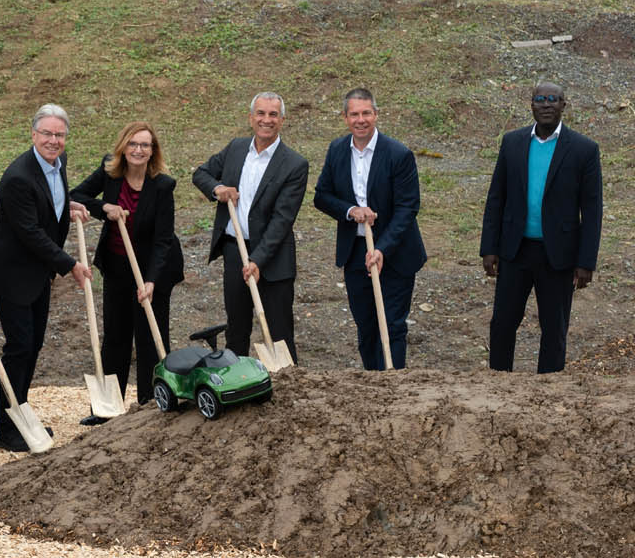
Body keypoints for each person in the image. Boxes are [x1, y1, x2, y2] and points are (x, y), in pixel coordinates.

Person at [0, 104, 92, 452]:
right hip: (14, 274)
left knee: (33, 346)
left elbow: (47, 205)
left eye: (59, 134)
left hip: (38, 274)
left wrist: (66, 207)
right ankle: (6, 428)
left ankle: (21, 413)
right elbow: (28, 230)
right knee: (19, 348)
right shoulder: (18, 176)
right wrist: (70, 264)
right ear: (33, 135)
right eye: (46, 133)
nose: (53, 140)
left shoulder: (57, 165)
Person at [480, 81, 603, 373]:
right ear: (531, 104)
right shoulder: (512, 142)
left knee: (554, 327)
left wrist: (586, 262)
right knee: (502, 322)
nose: (546, 104)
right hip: (515, 250)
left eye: (553, 99)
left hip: (558, 255)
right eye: (540, 99)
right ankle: (498, 381)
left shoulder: (584, 149)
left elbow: (592, 210)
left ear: (564, 105)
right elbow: (496, 197)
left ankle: (549, 389)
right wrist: (489, 248)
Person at [71, 121, 184, 420]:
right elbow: (76, 195)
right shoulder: (109, 171)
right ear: (123, 147)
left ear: (152, 151)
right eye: (133, 144)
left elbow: (163, 240)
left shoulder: (163, 185)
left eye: (145, 145)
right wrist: (104, 208)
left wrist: (151, 281)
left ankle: (150, 406)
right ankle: (108, 408)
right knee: (116, 336)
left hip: (154, 268)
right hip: (118, 265)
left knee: (150, 336)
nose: (138, 150)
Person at [312, 88, 428, 370]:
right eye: (354, 114)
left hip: (396, 254)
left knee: (392, 325)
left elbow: (407, 208)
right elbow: (321, 196)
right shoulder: (337, 150)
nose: (360, 120)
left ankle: (393, 384)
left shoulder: (398, 154)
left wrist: (382, 248)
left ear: (376, 114)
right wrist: (351, 211)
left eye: (366, 113)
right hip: (356, 255)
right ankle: (371, 388)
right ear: (345, 117)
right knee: (365, 326)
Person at [192, 92, 309, 362]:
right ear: (251, 117)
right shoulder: (236, 148)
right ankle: (240, 389)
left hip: (274, 259)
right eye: (260, 113)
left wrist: (258, 260)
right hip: (235, 253)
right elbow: (201, 173)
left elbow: (283, 220)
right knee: (237, 330)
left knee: (279, 332)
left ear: (282, 120)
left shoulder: (294, 164)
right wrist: (217, 189)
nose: (266, 120)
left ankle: (287, 390)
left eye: (273, 114)